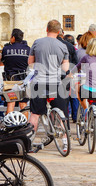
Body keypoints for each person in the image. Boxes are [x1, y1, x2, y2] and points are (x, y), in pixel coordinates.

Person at [28, 20, 70, 150]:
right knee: (61, 113)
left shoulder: (37, 42)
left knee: (35, 114)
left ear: (46, 29)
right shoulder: (63, 46)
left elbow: (30, 63)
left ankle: (29, 141)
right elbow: (65, 67)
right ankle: (65, 142)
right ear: (59, 32)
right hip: (55, 82)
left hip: (39, 82)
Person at [1, 28, 30, 114]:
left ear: (13, 37)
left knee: (11, 104)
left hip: (10, 80)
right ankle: (25, 126)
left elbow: (3, 61)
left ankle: (9, 126)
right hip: (23, 79)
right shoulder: (28, 49)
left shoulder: (6, 49)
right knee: (23, 104)